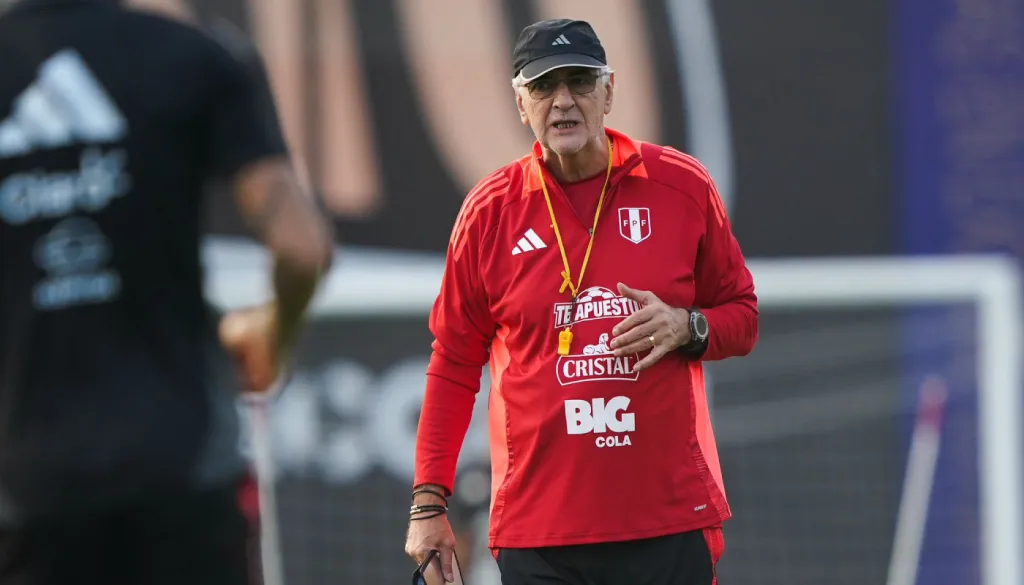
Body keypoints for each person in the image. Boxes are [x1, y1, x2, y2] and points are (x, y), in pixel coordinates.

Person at [404, 18, 758, 585]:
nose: (563, 101)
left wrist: (687, 326)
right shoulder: (490, 213)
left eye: (580, 82)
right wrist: (428, 504)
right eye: (544, 86)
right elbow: (453, 363)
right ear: (521, 104)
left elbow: (742, 316)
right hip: (540, 535)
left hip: (665, 522)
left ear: (609, 92)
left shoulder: (681, 186)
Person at [0, 0, 333, 583]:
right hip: (183, 472)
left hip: (26, 487)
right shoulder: (195, 55)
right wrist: (273, 338)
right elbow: (303, 247)